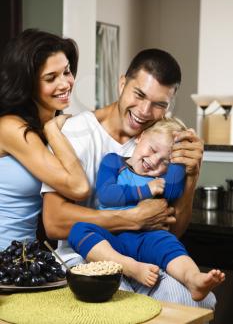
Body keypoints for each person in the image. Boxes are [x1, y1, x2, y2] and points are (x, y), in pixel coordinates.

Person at [42, 48, 216, 308]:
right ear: (122, 82)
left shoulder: (161, 140)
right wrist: (131, 218)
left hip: (143, 252)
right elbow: (54, 222)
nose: (145, 111)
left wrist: (192, 174)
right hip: (85, 254)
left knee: (197, 302)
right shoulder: (77, 133)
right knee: (119, 305)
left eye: (159, 104)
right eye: (139, 94)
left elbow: (171, 230)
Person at [68, 117, 225, 302]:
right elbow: (106, 194)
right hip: (111, 237)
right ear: (140, 137)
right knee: (78, 230)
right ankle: (128, 266)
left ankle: (193, 279)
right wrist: (146, 189)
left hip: (145, 240)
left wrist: (180, 149)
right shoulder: (114, 162)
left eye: (165, 162)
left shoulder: (162, 179)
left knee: (167, 242)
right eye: (152, 150)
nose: (154, 161)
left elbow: (174, 189)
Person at [0, 29, 90, 251]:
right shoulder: (11, 127)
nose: (65, 84)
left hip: (25, 260)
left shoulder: (53, 127)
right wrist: (52, 129)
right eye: (51, 78)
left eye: (67, 72)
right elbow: (78, 187)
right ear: (27, 84)